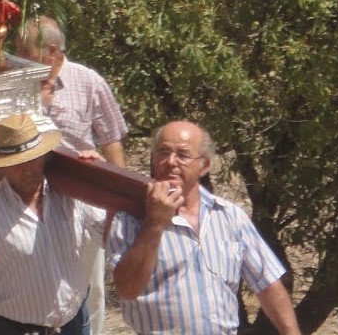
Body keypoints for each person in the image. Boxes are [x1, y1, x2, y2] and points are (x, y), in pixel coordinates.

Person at [106, 121, 300, 335]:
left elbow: (267, 283)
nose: (171, 162)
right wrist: (154, 223)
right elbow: (127, 288)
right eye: (163, 152)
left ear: (204, 166)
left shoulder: (230, 217)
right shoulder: (129, 218)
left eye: (183, 154)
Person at [17, 15, 129, 334]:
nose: (16, 55)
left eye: (23, 50)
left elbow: (111, 139)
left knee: (86, 286)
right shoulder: (16, 85)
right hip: (30, 202)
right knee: (36, 284)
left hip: (82, 201)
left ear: (51, 50)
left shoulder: (87, 81)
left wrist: (117, 200)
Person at [0, 113, 105, 335]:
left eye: (33, 158)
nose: (28, 168)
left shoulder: (70, 194)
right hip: (16, 329)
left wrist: (101, 182)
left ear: (43, 156)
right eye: (17, 163)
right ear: (3, 165)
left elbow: (108, 235)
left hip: (74, 322)